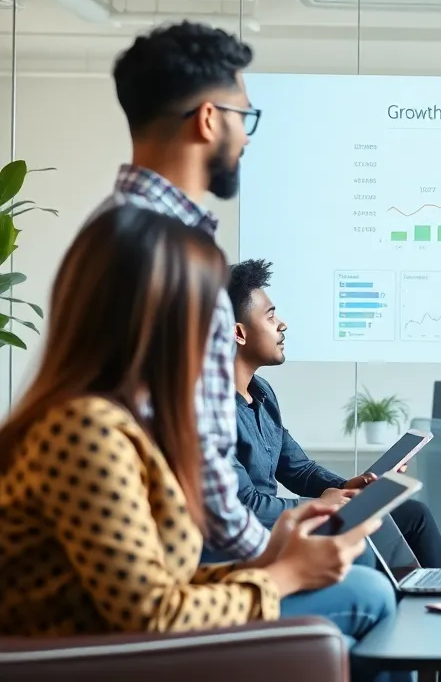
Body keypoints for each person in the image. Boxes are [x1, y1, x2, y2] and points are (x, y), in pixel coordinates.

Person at [0, 207, 389, 655]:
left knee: (362, 588)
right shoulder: (86, 431)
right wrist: (283, 575)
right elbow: (153, 615)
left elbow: (157, 583)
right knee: (368, 595)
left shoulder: (124, 418)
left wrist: (272, 555)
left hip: (120, 638)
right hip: (99, 657)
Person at [94, 20, 268, 562]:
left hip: (144, 537)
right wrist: (274, 552)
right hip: (172, 552)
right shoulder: (168, 253)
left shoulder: (111, 227)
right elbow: (198, 455)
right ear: (210, 119)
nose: (244, 135)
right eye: (244, 116)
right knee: (366, 587)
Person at [229, 258, 441, 569]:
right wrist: (321, 506)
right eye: (270, 317)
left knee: (413, 515)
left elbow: (298, 470)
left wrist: (347, 487)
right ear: (238, 334)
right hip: (259, 536)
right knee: (365, 543)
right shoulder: (214, 411)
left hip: (290, 521)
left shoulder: (262, 393)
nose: (282, 324)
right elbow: (246, 506)